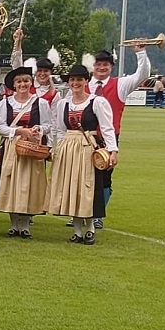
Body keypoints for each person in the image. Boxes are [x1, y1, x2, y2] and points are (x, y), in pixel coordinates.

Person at [49, 64, 118, 245]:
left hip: (88, 148)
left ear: (86, 81)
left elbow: (107, 128)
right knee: (72, 188)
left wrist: (112, 151)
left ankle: (91, 229)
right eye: (72, 80)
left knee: (88, 187)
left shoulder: (97, 102)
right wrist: (57, 150)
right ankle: (77, 230)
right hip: (69, 148)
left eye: (79, 79)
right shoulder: (63, 103)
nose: (75, 83)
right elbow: (59, 130)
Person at [83, 44, 150, 228]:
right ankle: (82, 212)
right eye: (98, 64)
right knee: (83, 176)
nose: (101, 68)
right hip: (85, 138)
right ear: (93, 67)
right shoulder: (84, 85)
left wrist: (140, 53)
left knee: (104, 177)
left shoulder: (119, 84)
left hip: (107, 139)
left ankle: (98, 215)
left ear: (111, 67)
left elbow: (142, 75)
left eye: (105, 65)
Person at [0, 67, 52, 239]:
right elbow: (0, 127)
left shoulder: (41, 103)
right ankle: (13, 225)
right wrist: (19, 132)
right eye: (19, 82)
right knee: (12, 185)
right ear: (14, 85)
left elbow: (48, 126)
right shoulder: (5, 103)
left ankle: (25, 226)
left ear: (31, 83)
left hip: (31, 148)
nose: (22, 84)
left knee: (28, 185)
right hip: (12, 148)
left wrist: (37, 129)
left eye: (25, 81)